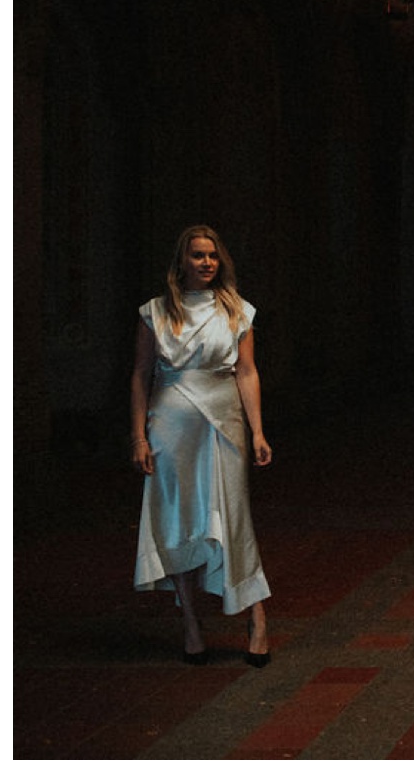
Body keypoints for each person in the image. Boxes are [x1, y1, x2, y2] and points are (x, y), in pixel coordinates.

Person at [129, 225, 272, 667]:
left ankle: (257, 617)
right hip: (170, 424)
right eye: (197, 255)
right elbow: (140, 375)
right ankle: (190, 622)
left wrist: (258, 430)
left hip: (224, 423)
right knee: (178, 517)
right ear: (182, 262)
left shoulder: (238, 311)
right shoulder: (155, 312)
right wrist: (137, 436)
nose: (206, 263)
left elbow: (246, 372)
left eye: (212, 256)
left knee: (233, 514)